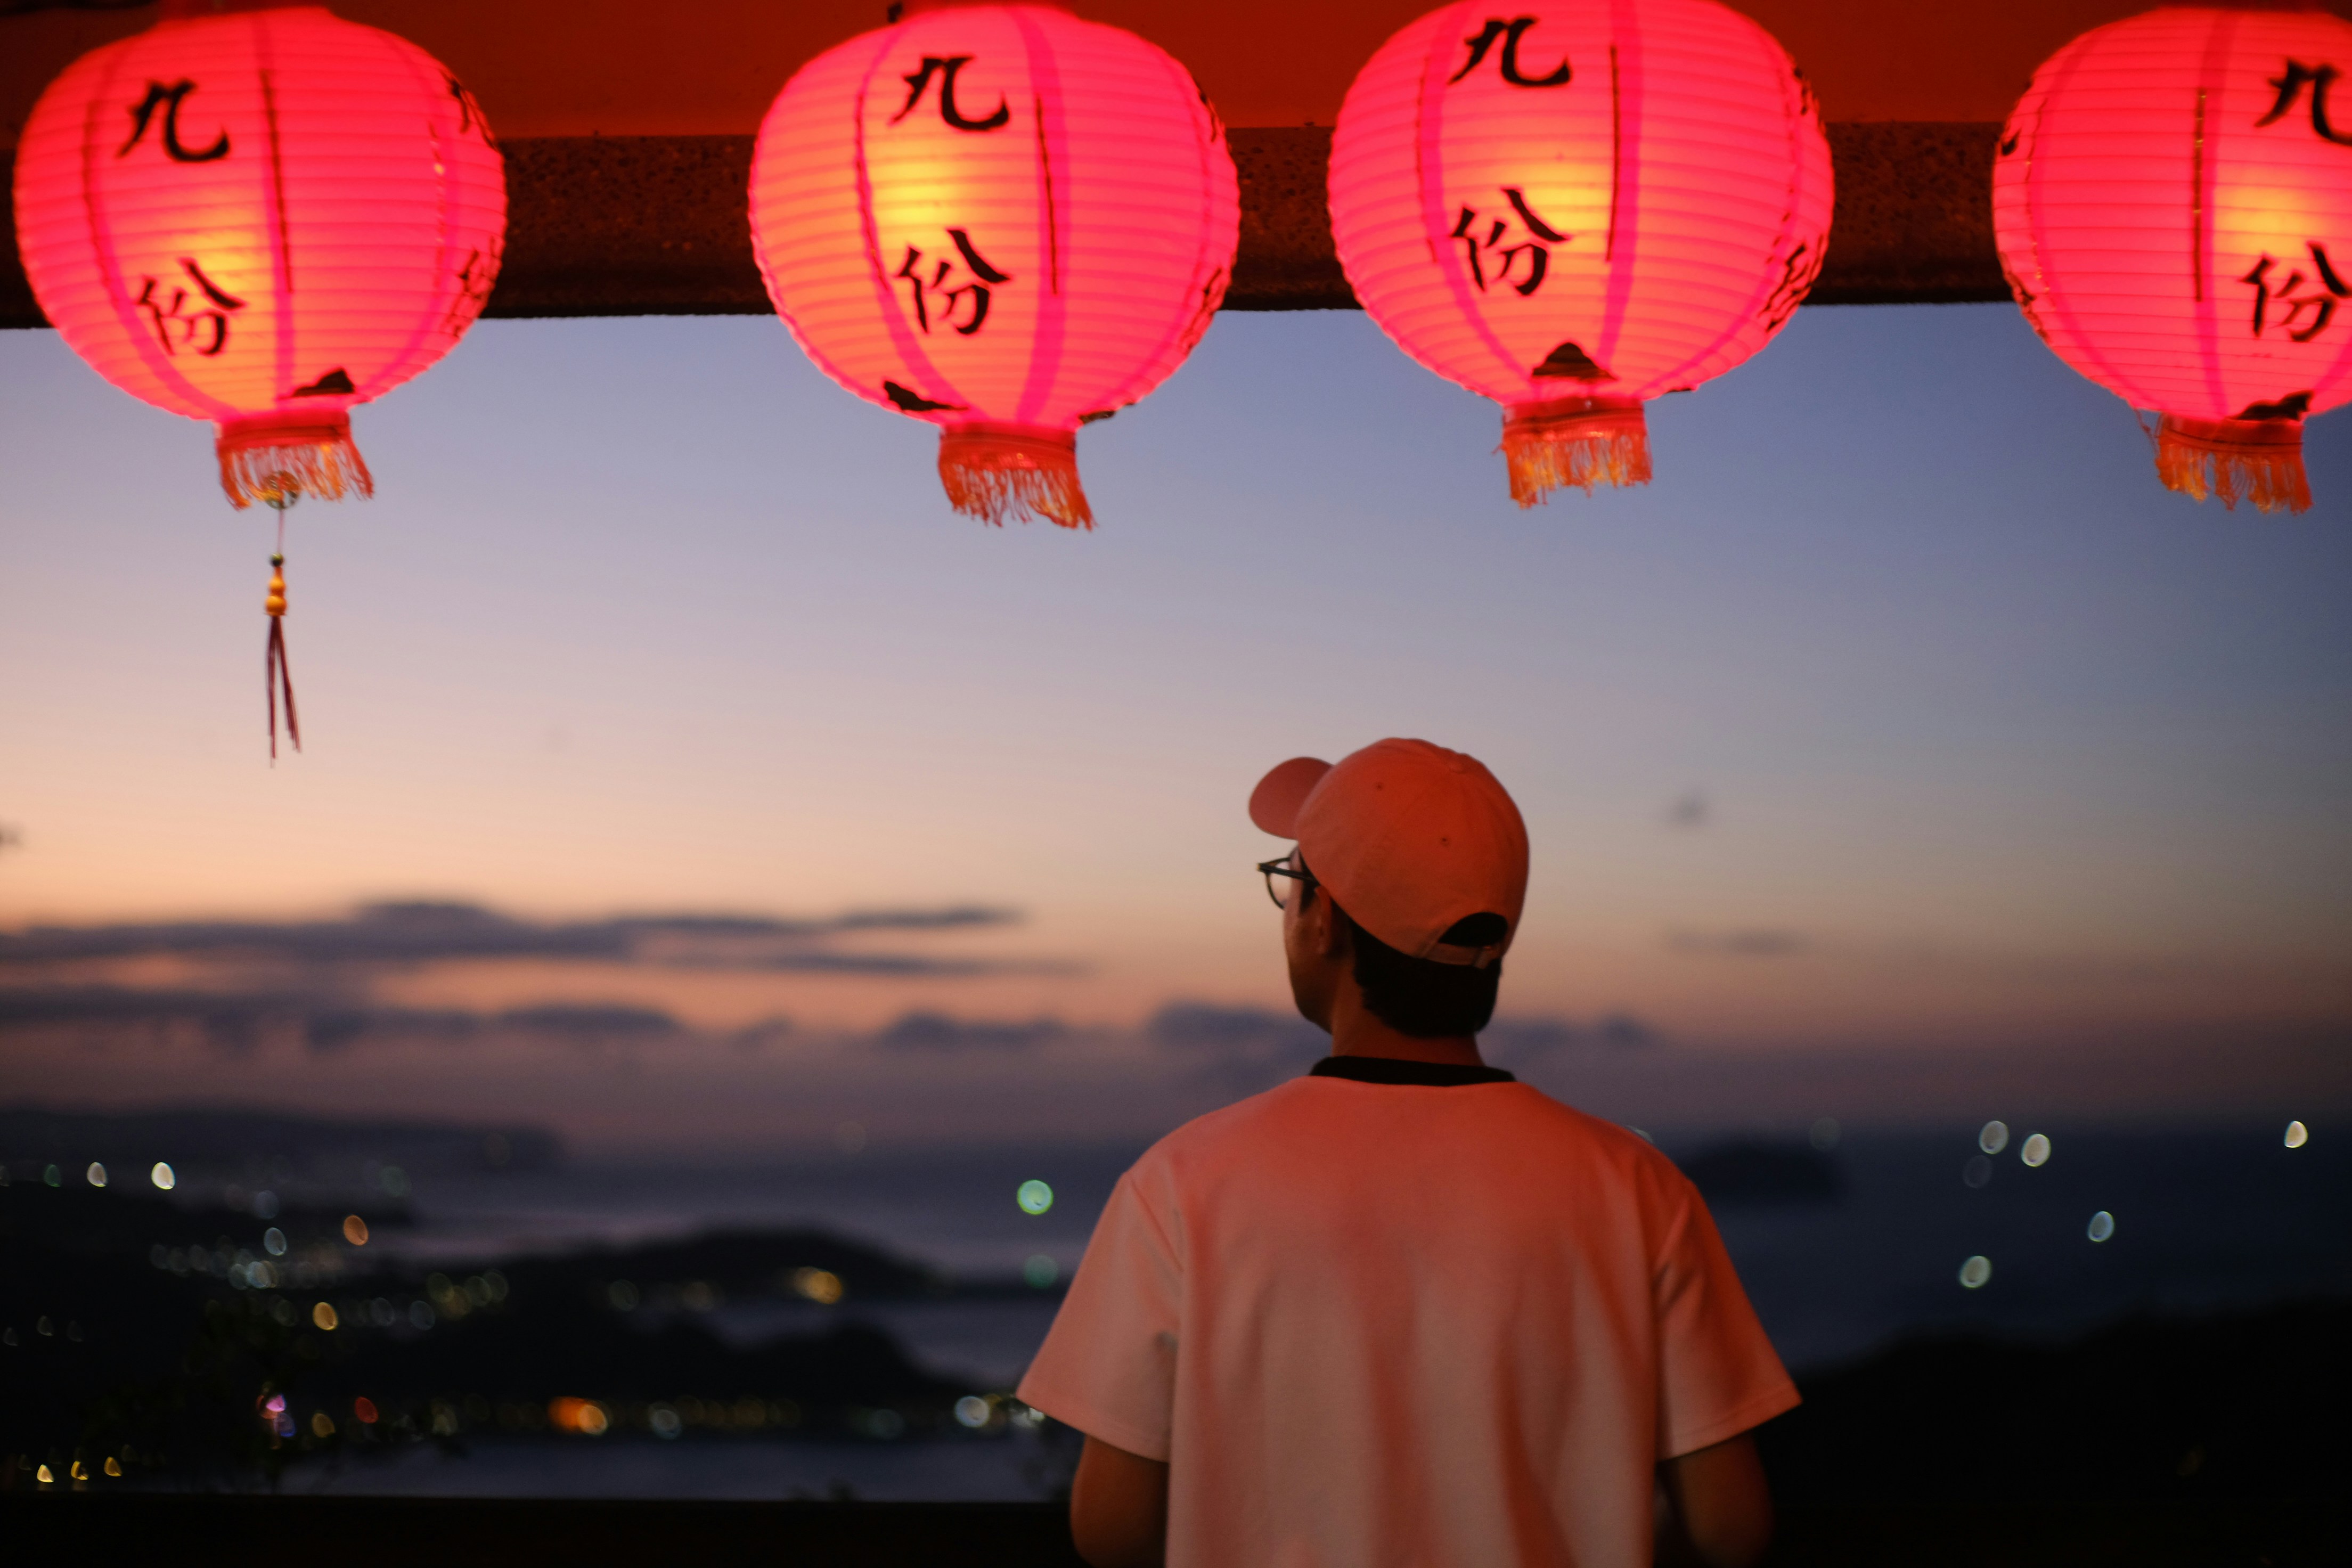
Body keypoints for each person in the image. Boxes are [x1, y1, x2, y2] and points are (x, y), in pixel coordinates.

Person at [1016, 738, 1797, 1567]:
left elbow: (1113, 1530)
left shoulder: (1181, 1184)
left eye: (1291, 880)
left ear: (1323, 920)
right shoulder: (1639, 1188)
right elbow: (1731, 1526)